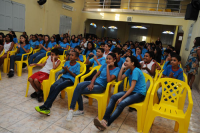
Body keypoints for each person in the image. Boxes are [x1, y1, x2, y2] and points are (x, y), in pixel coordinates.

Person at [93, 56, 146, 131]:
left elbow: (132, 87)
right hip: (133, 92)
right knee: (114, 97)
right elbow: (119, 79)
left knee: (121, 103)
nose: (125, 62)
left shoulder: (135, 71)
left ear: (132, 63)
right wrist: (122, 68)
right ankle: (104, 120)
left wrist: (122, 98)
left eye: (127, 61)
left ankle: (106, 123)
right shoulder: (129, 70)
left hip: (139, 94)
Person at [66, 53, 120, 121]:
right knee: (78, 86)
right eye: (107, 59)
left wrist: (107, 67)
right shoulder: (104, 65)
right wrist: (91, 83)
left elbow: (109, 80)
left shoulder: (117, 69)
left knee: (78, 91)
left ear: (114, 60)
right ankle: (71, 110)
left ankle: (80, 110)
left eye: (110, 59)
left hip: (101, 87)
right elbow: (95, 75)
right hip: (94, 82)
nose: (107, 60)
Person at [35, 51, 81, 115]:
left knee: (58, 87)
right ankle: (47, 107)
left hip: (70, 80)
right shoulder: (67, 62)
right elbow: (63, 72)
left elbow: (76, 76)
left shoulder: (78, 64)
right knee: (53, 86)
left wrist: (68, 70)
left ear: (76, 57)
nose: (70, 56)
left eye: (72, 55)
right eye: (70, 55)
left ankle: (46, 106)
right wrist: (65, 70)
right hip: (63, 77)